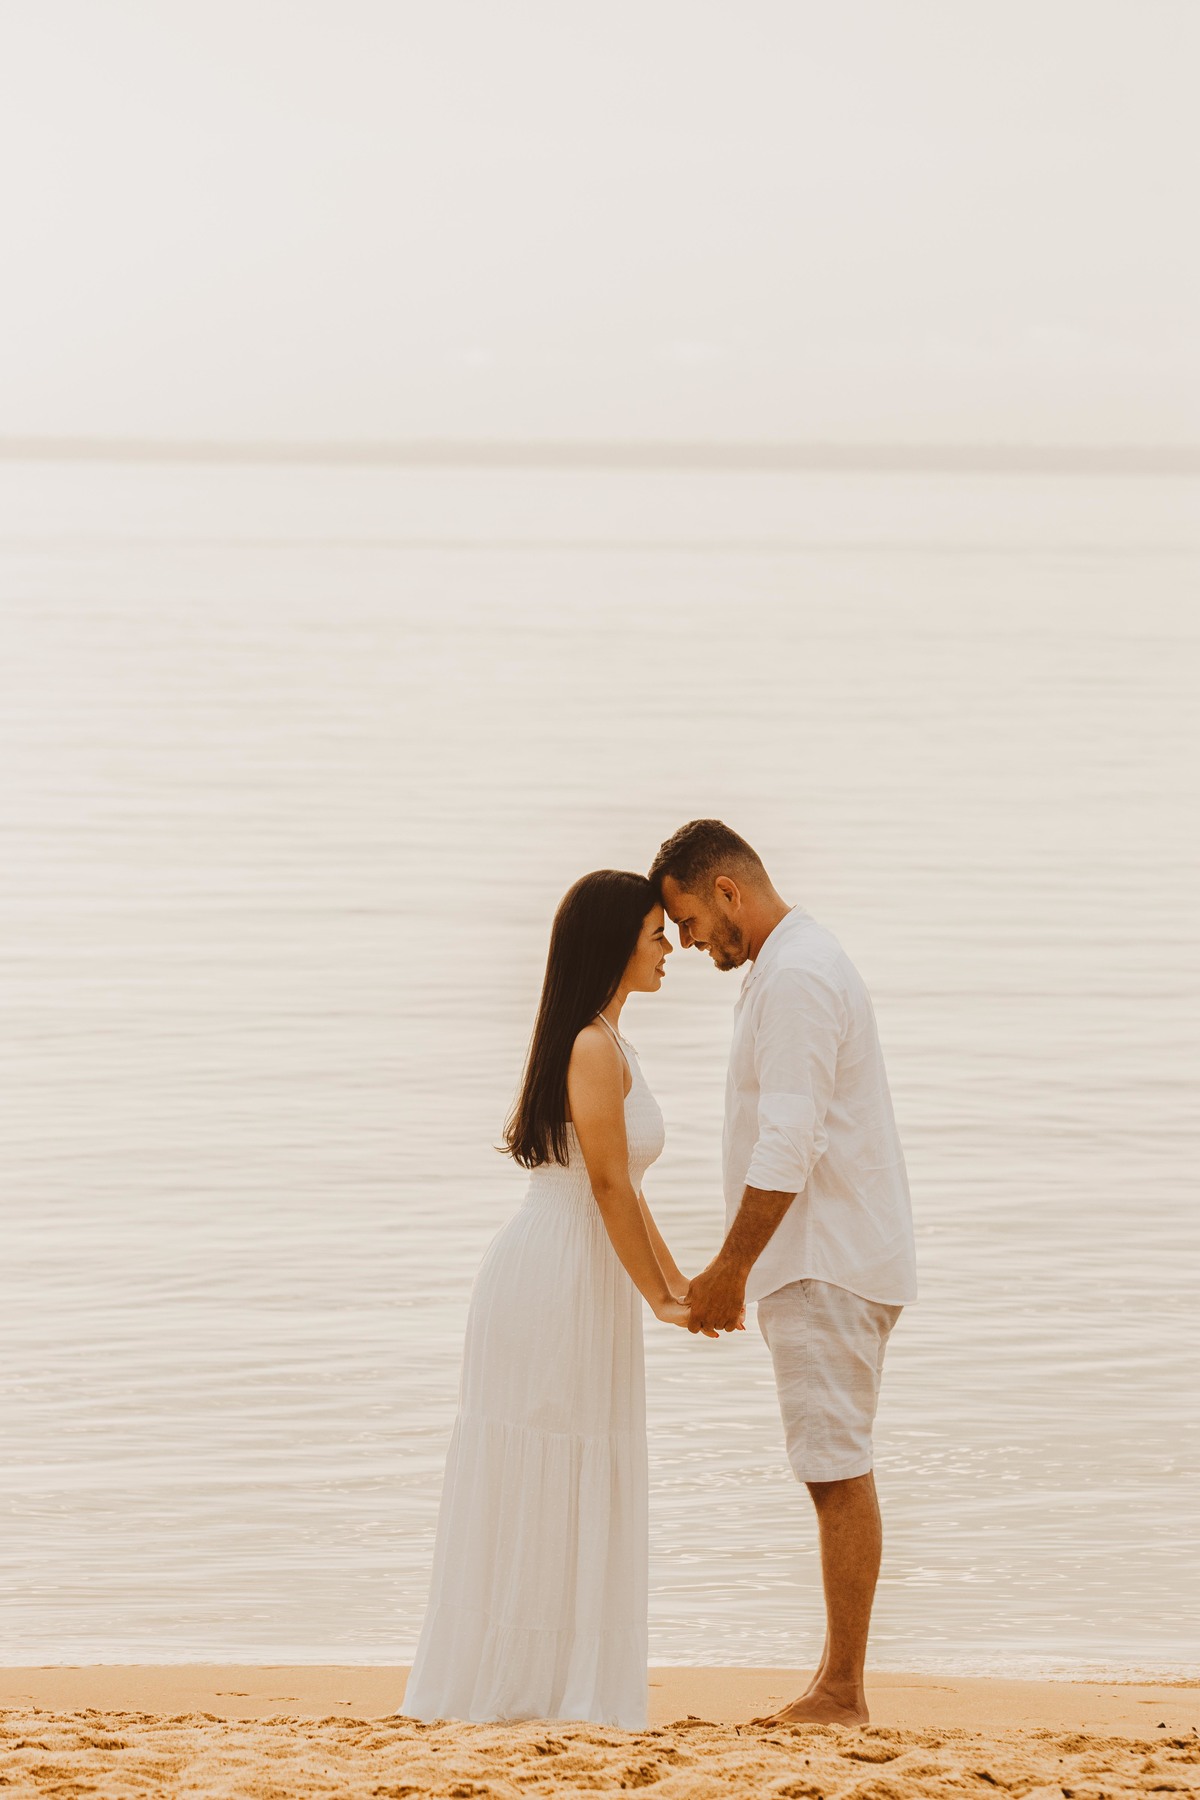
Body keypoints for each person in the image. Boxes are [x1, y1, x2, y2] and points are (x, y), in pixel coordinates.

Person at [400, 869, 711, 1730]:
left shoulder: (612, 1041)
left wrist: (682, 1283)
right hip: (553, 1276)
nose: (669, 950)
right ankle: (517, 1685)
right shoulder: (590, 1046)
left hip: (586, 1271)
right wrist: (659, 1299)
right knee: (545, 1465)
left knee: (581, 1465)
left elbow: (630, 1190)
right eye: (657, 934)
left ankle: (564, 1678)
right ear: (617, 944)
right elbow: (606, 1186)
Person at [649, 819, 917, 1728]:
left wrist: (730, 1268)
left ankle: (843, 1691)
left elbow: (791, 1137)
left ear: (728, 892)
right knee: (830, 1463)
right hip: (832, 1254)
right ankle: (835, 1681)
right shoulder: (795, 962)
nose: (687, 944)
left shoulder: (797, 975)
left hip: (825, 1258)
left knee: (836, 1466)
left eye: (689, 922)